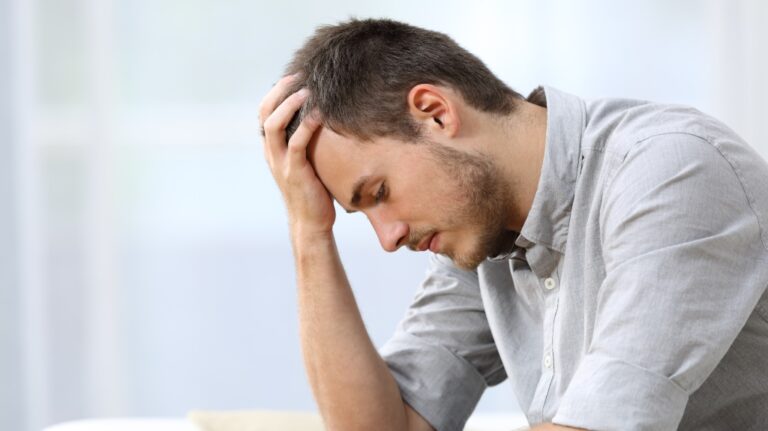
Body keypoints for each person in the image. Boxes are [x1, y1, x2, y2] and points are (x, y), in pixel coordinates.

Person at [258, 18, 768, 431]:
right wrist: (309, 232)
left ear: (435, 113)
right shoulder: (485, 233)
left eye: (379, 194)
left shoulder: (672, 170)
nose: (388, 238)